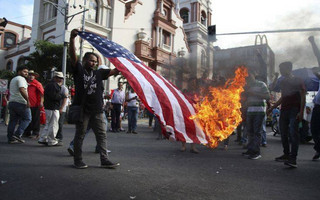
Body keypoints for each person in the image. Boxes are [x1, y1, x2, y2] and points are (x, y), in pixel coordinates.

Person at [69, 29, 120, 169]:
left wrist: (123, 62)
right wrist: (72, 38)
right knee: (80, 136)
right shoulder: (78, 70)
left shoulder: (99, 73)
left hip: (97, 110)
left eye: (96, 62)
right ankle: (77, 160)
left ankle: (104, 159)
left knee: (102, 135)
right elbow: (72, 56)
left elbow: (115, 71)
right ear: (85, 60)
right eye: (91, 61)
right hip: (82, 110)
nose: (94, 63)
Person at [268, 62, 306, 168]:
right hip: (284, 110)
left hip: (294, 110)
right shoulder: (283, 82)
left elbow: (303, 96)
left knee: (293, 134)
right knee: (283, 133)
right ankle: (286, 154)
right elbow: (282, 96)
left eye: (281, 69)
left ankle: (293, 159)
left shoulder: (298, 80)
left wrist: (301, 112)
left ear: (288, 68)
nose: (280, 71)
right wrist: (272, 107)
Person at [242, 67, 270, 160]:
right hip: (250, 111)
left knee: (257, 132)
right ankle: (250, 150)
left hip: (259, 111)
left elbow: (267, 96)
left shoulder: (261, 84)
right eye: (246, 76)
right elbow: (246, 100)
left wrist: (254, 94)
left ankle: (256, 152)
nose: (247, 77)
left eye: (249, 75)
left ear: (254, 75)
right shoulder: (247, 86)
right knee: (250, 132)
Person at [38, 72, 65, 146]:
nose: (60, 80)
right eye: (59, 78)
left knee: (48, 123)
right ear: (55, 78)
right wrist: (62, 96)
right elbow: (54, 96)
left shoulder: (50, 85)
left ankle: (43, 138)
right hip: (53, 107)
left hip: (49, 107)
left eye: (61, 78)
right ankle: (51, 140)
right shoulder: (54, 85)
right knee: (53, 124)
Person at [7, 66, 31, 144]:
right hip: (20, 102)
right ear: (19, 72)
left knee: (13, 121)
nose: (26, 74)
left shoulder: (13, 79)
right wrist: (28, 100)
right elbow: (22, 89)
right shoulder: (21, 79)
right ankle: (18, 134)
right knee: (27, 118)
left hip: (12, 102)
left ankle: (11, 138)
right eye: (24, 72)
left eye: (27, 72)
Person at [309, 36, 320, 161]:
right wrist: (313, 43)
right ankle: (318, 148)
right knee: (314, 129)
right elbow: (318, 56)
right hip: (317, 107)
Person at [23, 70, 44, 139]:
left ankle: (35, 133)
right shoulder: (24, 83)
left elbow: (41, 94)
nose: (31, 76)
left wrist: (41, 102)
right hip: (26, 104)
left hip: (35, 104)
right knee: (27, 118)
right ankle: (27, 132)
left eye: (32, 75)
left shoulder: (37, 84)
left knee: (35, 119)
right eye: (29, 74)